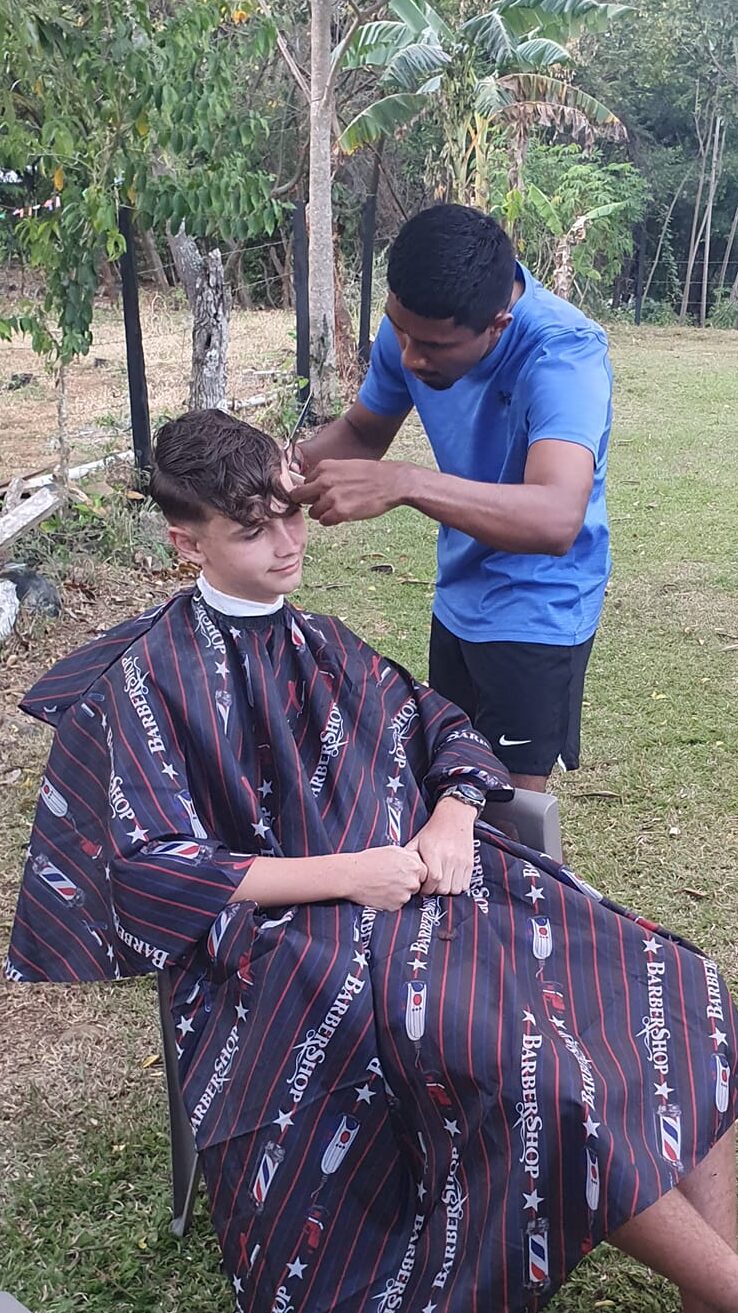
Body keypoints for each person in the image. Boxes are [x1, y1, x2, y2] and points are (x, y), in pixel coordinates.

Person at [6, 409, 738, 1313]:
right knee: (537, 1073)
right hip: (285, 957)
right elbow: (154, 869)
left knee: (674, 981)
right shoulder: (147, 680)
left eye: (293, 513)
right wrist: (352, 874)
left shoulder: (320, 641)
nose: (286, 543)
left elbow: (447, 733)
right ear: (185, 541)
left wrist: (454, 818)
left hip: (432, 890)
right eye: (253, 528)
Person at [292, 204, 612, 794]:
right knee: (454, 776)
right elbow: (365, 431)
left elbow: (556, 516)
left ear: (497, 326)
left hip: (540, 603)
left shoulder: (562, 354)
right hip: (460, 591)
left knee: (507, 807)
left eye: (433, 346)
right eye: (400, 329)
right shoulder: (413, 326)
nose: (410, 356)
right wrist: (285, 468)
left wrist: (405, 482)